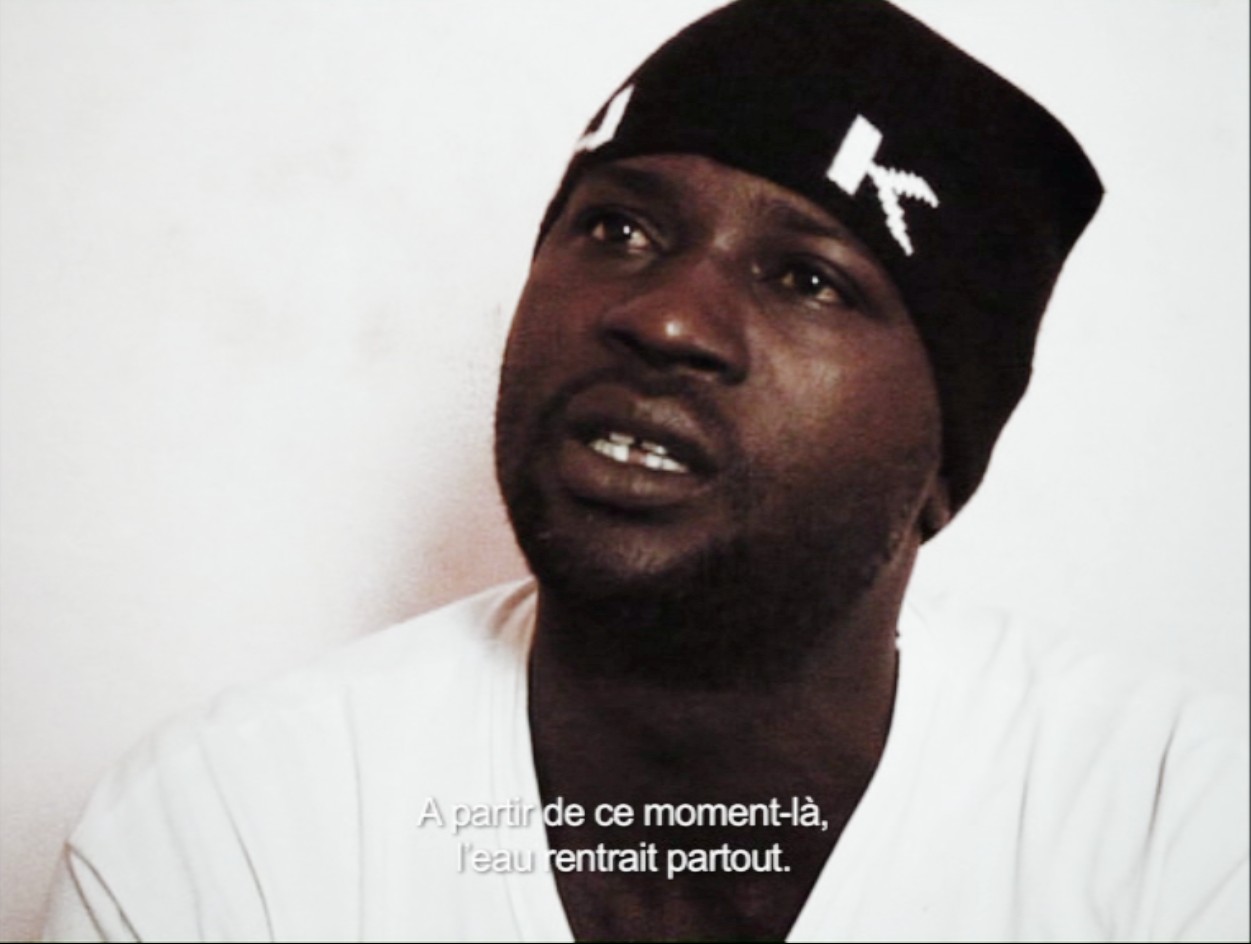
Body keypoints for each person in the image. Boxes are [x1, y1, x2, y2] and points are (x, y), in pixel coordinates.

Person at [42, 1, 1247, 941]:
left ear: (947, 457)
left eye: (810, 277)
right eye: (618, 228)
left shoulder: (1172, 833)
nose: (665, 317)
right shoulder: (234, 830)